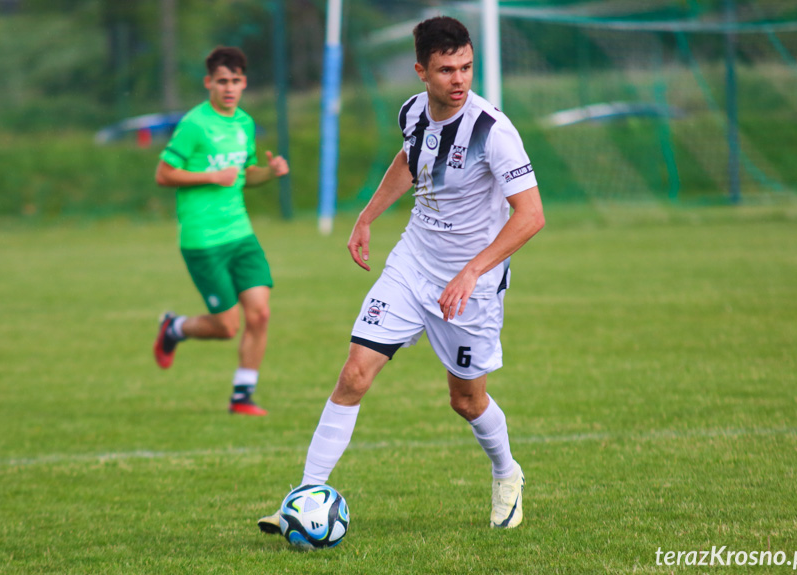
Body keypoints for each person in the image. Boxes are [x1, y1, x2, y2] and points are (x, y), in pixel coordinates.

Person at [259, 15, 544, 531]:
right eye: (446, 70)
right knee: (353, 374)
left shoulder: (492, 131)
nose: (459, 80)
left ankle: (508, 473)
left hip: (470, 288)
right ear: (420, 72)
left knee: (466, 399)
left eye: (467, 67)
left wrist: (472, 271)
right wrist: (367, 216)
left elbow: (531, 216)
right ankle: (300, 500)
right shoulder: (412, 112)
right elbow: (410, 161)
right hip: (412, 265)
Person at [153, 46, 289, 416]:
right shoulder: (195, 125)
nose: (229, 88)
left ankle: (242, 396)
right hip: (203, 241)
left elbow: (243, 176)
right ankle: (175, 328)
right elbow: (164, 174)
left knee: (259, 314)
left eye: (235, 81)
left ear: (244, 82)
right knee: (227, 326)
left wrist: (270, 172)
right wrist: (211, 176)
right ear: (208, 83)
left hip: (241, 234)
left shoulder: (244, 123)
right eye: (222, 81)